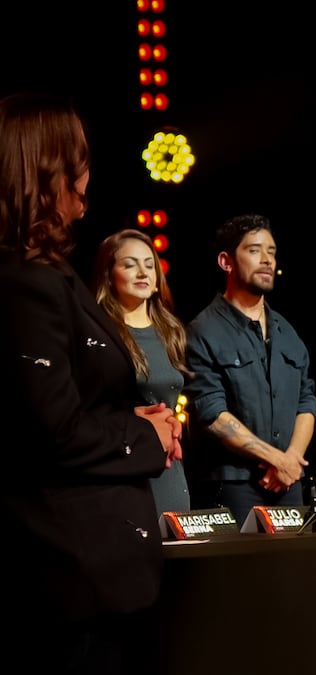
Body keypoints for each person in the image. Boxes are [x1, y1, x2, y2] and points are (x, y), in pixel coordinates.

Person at [0, 91, 182, 674]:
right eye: (79, 158)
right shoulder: (25, 281)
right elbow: (51, 430)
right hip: (68, 576)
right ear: (48, 169)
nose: (87, 178)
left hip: (94, 574)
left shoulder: (48, 275)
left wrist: (132, 421)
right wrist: (146, 433)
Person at [183, 213, 316, 527]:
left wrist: (291, 460)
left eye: (272, 252)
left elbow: (307, 401)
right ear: (226, 261)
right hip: (234, 484)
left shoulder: (287, 332)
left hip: (288, 481)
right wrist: (275, 459)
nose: (267, 259)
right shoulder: (203, 331)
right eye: (255, 250)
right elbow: (210, 413)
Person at [93, 228, 193, 514]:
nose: (142, 272)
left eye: (149, 265)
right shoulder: (100, 333)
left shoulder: (171, 331)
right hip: (127, 472)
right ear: (108, 274)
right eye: (130, 264)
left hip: (171, 471)